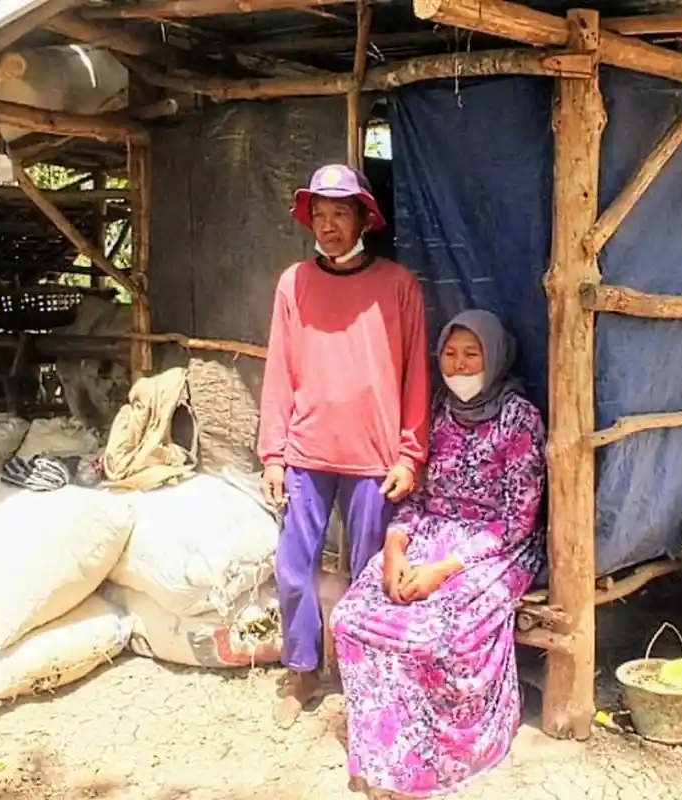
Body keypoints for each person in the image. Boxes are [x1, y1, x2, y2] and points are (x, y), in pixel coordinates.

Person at [331, 309, 547, 798]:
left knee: (433, 635)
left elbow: (517, 523)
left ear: (494, 358)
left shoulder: (520, 420)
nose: (460, 365)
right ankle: (383, 755)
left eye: (472, 354)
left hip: (494, 548)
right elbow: (417, 498)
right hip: (431, 533)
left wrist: (443, 571)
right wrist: (394, 544)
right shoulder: (437, 412)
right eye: (450, 354)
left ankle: (436, 762)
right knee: (352, 617)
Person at [259, 164, 431, 729]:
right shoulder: (294, 284)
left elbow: (414, 378)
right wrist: (274, 454)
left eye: (341, 213)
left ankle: (364, 679)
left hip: (374, 458)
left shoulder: (397, 286)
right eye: (320, 214)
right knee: (292, 569)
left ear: (364, 218)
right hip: (306, 454)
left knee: (368, 575)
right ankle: (304, 669)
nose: (329, 225)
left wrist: (411, 453)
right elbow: (279, 372)